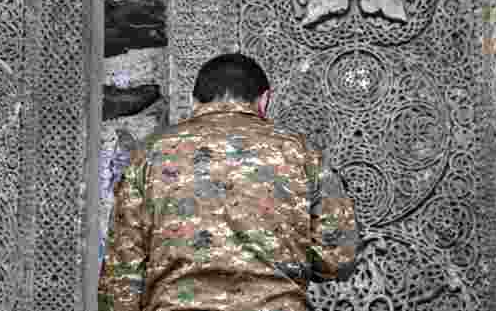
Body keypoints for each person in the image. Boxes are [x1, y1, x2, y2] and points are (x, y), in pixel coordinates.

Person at [98, 52, 359, 311]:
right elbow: (337, 258)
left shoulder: (149, 155)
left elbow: (120, 276)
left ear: (193, 101)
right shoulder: (302, 154)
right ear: (264, 100)